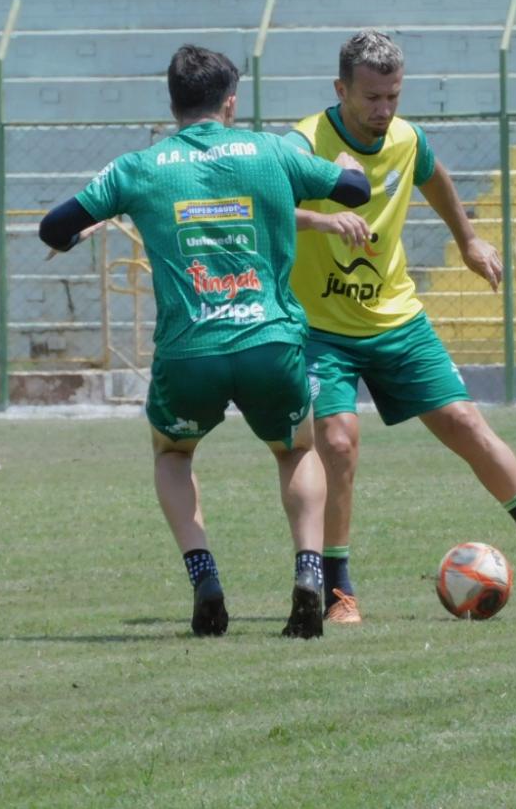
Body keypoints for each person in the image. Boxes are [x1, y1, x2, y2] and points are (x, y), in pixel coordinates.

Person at [39, 44, 371, 637]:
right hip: (269, 341)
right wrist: (351, 163)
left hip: (190, 350)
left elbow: (55, 227)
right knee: (295, 450)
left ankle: (205, 575)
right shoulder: (270, 151)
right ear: (231, 102)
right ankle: (310, 570)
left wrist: (89, 226)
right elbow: (351, 192)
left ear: (172, 103)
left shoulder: (138, 167)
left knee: (173, 453)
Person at [288, 29, 516, 625]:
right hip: (320, 328)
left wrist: (468, 239)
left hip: (395, 317)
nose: (383, 110)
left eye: (392, 96)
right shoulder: (303, 142)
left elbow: (433, 172)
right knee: (338, 443)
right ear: (340, 89)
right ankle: (340, 590)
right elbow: (267, 203)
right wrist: (320, 212)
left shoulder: (405, 139)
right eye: (370, 97)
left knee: (465, 422)